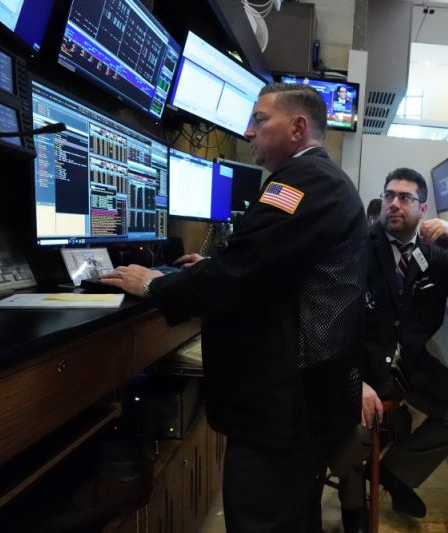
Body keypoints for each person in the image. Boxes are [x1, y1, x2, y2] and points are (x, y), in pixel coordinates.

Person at [101, 83, 368, 532]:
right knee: (290, 516)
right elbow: (270, 266)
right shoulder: (313, 181)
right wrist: (209, 267)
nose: (248, 132)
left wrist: (156, 285)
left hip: (287, 404)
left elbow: (243, 272)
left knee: (262, 519)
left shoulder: (307, 184)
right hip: (302, 394)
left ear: (298, 128)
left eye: (260, 120)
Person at [332, 167, 448, 531]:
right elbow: (334, 324)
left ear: (423, 209)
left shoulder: (436, 257)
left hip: (411, 368)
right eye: (389, 195)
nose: (394, 204)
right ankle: (353, 507)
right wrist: (354, 382)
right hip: (361, 369)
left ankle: (395, 472)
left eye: (405, 198)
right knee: (355, 434)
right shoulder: (356, 247)